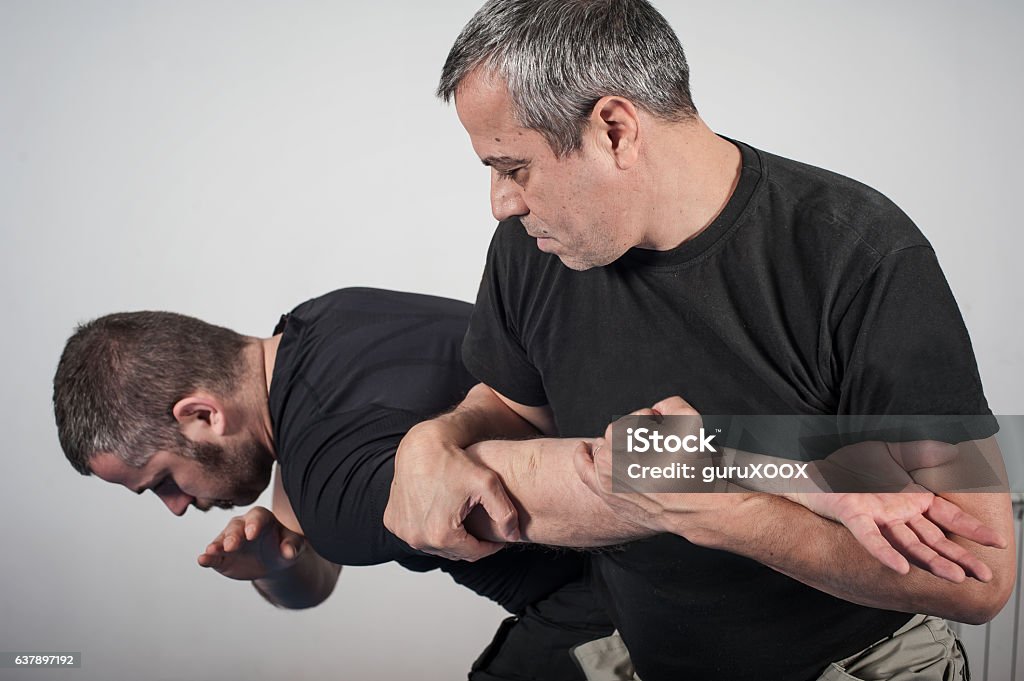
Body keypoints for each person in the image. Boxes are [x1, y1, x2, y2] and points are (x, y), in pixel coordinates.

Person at [381, 1, 1017, 679]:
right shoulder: (530, 250)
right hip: (654, 652)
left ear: (616, 130)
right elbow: (513, 408)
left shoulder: (855, 253)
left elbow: (980, 578)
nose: (501, 202)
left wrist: (730, 510)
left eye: (514, 168)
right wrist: (433, 441)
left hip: (855, 661)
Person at [51, 287, 615, 681]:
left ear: (202, 416)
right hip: (670, 432)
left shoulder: (324, 472)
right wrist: (276, 562)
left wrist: (702, 461)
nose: (176, 507)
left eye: (161, 482)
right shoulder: (323, 321)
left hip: (635, 590)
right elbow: (312, 558)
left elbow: (565, 484)